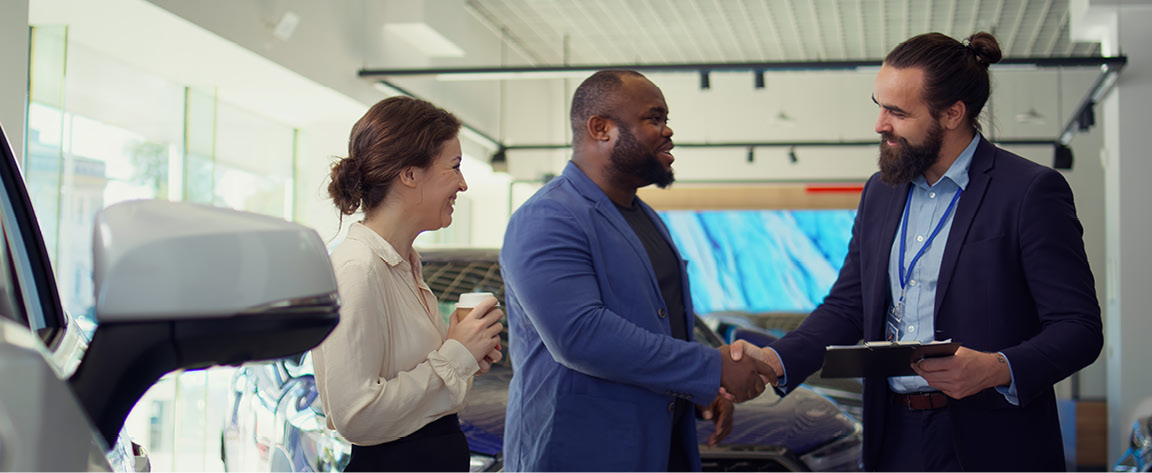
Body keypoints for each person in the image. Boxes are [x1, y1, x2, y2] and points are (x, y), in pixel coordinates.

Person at [731, 32, 1103, 471]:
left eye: (897, 112)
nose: (879, 124)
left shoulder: (1029, 192)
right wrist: (775, 359)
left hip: (993, 441)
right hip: (894, 437)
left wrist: (996, 367)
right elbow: (848, 306)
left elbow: (1078, 329)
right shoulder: (880, 193)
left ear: (952, 114)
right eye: (879, 105)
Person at [499, 70, 778, 472]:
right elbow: (581, 334)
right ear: (601, 129)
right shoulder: (548, 217)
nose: (668, 131)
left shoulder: (645, 218)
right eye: (654, 118)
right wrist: (710, 367)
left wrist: (698, 386)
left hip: (659, 450)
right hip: (578, 455)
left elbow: (658, 325)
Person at [312, 96, 504, 472]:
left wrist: (463, 356)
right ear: (410, 174)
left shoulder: (404, 266)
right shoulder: (357, 267)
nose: (463, 184)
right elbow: (357, 415)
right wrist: (455, 357)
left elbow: (416, 395)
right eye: (455, 167)